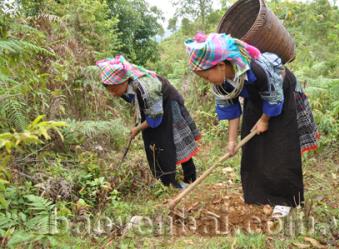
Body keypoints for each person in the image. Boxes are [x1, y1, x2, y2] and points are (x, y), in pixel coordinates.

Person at [184, 32, 319, 217]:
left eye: (207, 77)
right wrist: (231, 142)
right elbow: (231, 110)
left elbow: (274, 96)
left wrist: (264, 119)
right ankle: (259, 195)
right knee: (252, 146)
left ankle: (284, 200)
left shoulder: (256, 70)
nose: (208, 82)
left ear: (221, 66)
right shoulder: (221, 83)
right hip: (255, 98)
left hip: (280, 94)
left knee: (280, 146)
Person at [96, 55, 201, 189]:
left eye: (114, 89)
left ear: (124, 81)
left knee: (175, 139)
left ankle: (189, 178)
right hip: (153, 107)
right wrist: (139, 124)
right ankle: (165, 179)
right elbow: (140, 106)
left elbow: (155, 120)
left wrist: (137, 129)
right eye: (109, 90)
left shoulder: (147, 89)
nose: (113, 94)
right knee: (152, 140)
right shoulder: (126, 87)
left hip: (168, 102)